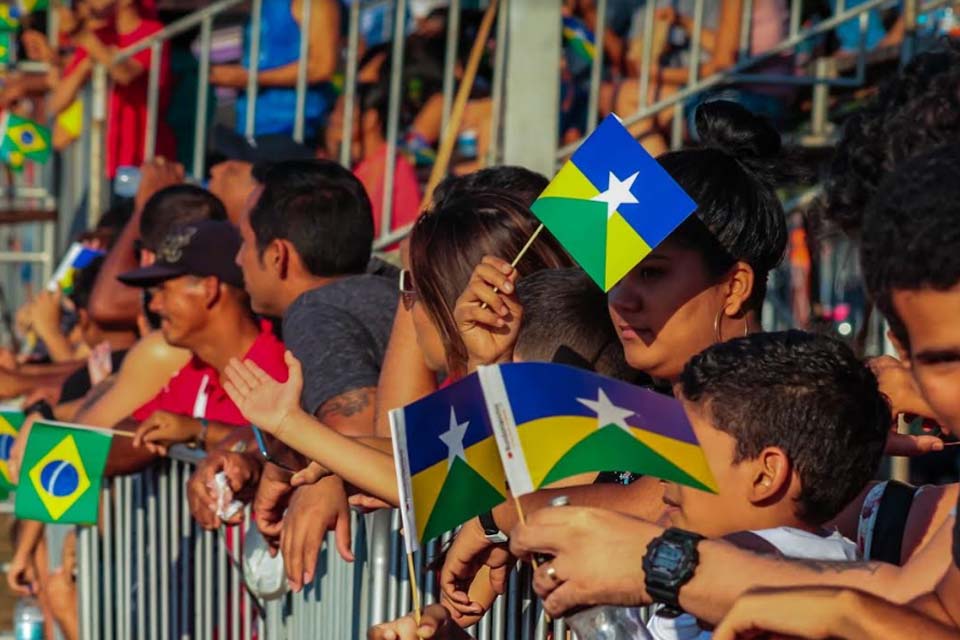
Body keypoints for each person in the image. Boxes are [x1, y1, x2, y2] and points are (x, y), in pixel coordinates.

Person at [507, 144, 960, 639]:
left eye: (652, 272)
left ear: (736, 285)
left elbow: (927, 619)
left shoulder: (798, 422)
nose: (623, 299)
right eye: (614, 276)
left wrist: (668, 567)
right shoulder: (628, 399)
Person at [188, 159, 397, 592]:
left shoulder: (316, 311)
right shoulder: (383, 287)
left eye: (245, 242)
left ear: (278, 255)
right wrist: (262, 459)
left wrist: (315, 481)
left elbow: (356, 432)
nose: (238, 259)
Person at [108, 220, 288, 474]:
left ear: (209, 289)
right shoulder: (198, 370)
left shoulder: (281, 365)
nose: (154, 305)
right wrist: (162, 434)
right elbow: (113, 444)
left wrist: (199, 431)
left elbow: (292, 450)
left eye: (163, 289)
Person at [47, 0, 175, 179]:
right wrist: (84, 67)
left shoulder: (152, 32)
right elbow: (56, 102)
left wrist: (82, 36)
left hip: (143, 158)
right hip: (102, 160)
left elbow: (125, 74)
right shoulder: (99, 36)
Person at [210, 0, 340, 139]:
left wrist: (250, 78)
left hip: (295, 129)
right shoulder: (257, 6)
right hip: (249, 128)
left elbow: (322, 67)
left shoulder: (312, 3)